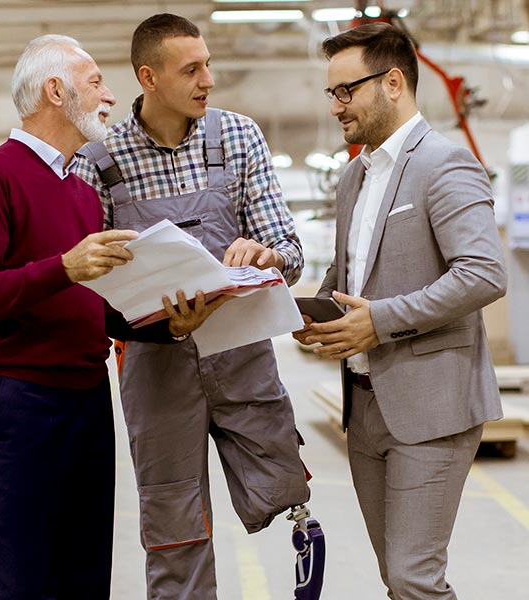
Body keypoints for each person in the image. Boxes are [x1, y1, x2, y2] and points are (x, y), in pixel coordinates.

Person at [0, 34, 207, 600]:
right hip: (19, 405)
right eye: (95, 82)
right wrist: (63, 267)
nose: (110, 96)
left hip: (87, 401)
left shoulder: (81, 192)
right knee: (19, 581)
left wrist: (168, 326)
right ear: (56, 90)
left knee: (85, 576)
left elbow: (96, 308)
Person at [75, 13, 310, 600]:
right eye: (193, 70)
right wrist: (156, 326)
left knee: (284, 492)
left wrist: (267, 255)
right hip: (155, 366)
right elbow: (87, 288)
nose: (209, 79)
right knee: (173, 524)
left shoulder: (238, 136)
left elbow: (292, 252)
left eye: (208, 64)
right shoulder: (99, 158)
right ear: (148, 77)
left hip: (241, 351)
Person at [294, 22, 507, 599]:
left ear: (393, 82)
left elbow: (484, 273)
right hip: (364, 410)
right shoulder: (353, 178)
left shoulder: (444, 164)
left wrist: (379, 320)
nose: (336, 105)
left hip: (430, 406)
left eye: (346, 90)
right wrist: (292, 307)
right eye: (330, 92)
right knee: (397, 577)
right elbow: (347, 281)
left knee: (414, 579)